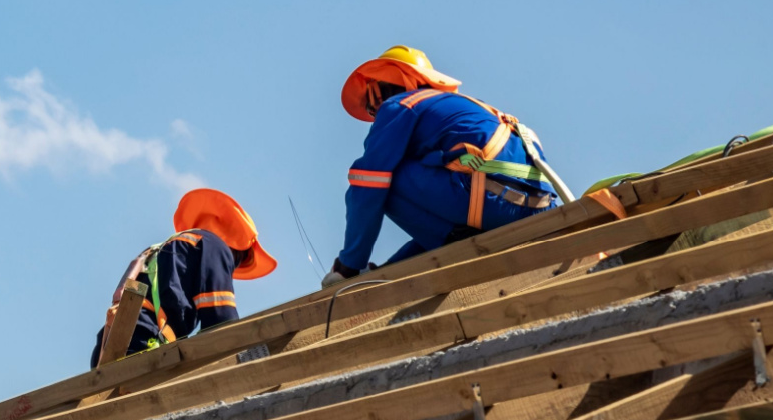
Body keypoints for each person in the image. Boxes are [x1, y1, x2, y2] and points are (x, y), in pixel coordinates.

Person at [322, 46, 571, 286]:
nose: (373, 112)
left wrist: (349, 267)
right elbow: (444, 232)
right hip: (532, 209)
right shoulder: (461, 109)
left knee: (378, 178)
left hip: (490, 203)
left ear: (387, 82)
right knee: (405, 174)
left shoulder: (401, 105)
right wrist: (386, 271)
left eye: (371, 100)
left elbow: (367, 185)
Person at [91, 188, 277, 366]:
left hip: (107, 348)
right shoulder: (214, 247)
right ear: (236, 247)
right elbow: (221, 322)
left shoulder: (163, 248)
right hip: (145, 346)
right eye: (238, 261)